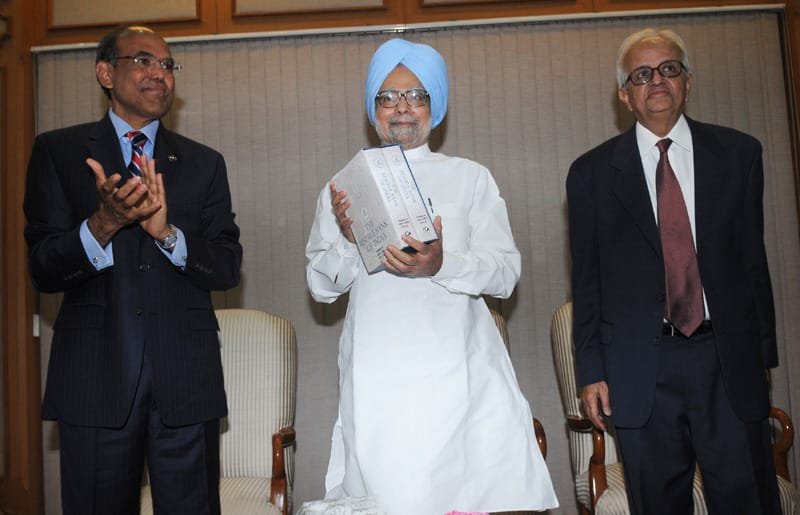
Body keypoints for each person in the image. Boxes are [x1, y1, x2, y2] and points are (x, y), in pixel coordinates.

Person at [305, 38, 558, 514]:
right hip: (377, 377)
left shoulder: (471, 178)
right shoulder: (342, 185)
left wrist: (442, 264)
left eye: (416, 95)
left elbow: (505, 273)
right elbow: (321, 286)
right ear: (372, 107)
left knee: (462, 496)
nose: (402, 108)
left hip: (459, 375)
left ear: (434, 105)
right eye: (388, 97)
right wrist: (347, 236)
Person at [23, 25, 242, 514]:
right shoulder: (59, 153)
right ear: (106, 72)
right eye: (143, 61)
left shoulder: (203, 164)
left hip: (185, 379)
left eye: (167, 66)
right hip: (94, 377)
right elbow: (42, 268)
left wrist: (167, 235)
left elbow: (227, 266)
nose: (159, 75)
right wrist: (103, 224)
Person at [567, 28, 780, 514]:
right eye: (641, 74)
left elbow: (754, 262)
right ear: (624, 94)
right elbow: (587, 280)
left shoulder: (739, 155)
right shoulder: (591, 174)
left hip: (726, 360)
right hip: (641, 368)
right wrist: (592, 369)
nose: (656, 81)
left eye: (668, 69)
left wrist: (761, 357)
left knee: (748, 498)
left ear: (687, 82)